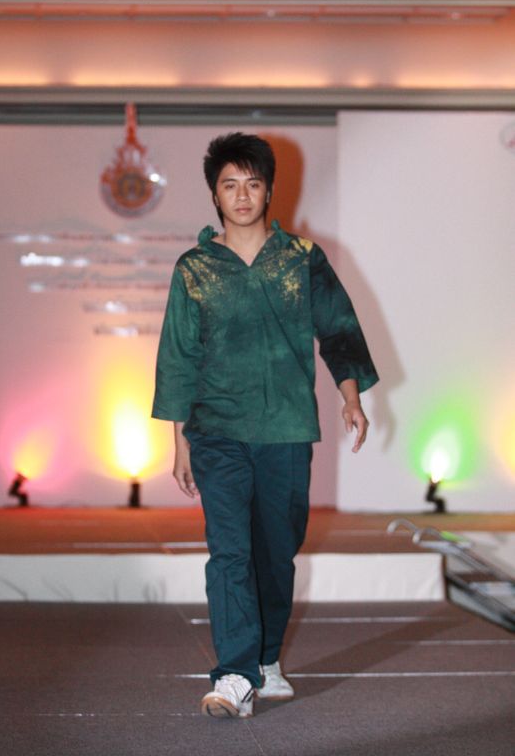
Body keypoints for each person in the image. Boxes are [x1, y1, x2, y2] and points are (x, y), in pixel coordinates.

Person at [152, 132, 379, 718]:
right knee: (229, 552)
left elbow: (339, 329)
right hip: (216, 431)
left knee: (276, 555)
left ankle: (267, 658)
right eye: (229, 184)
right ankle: (235, 674)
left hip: (285, 429)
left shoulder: (302, 257)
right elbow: (178, 358)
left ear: (269, 189)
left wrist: (351, 398)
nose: (241, 195)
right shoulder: (195, 268)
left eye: (252, 183)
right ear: (214, 194)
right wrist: (179, 442)